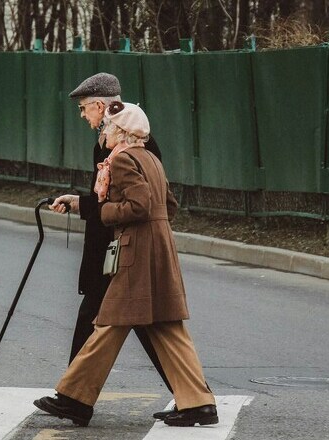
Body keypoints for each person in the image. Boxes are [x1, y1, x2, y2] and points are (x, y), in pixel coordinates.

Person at [35, 102, 218, 427]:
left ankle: (75, 398)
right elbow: (168, 204)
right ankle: (200, 403)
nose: (102, 131)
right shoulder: (149, 159)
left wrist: (106, 215)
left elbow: (139, 204)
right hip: (158, 248)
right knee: (166, 326)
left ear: (120, 131)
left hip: (136, 253)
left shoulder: (121, 159)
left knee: (108, 324)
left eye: (107, 126)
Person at [49, 73, 176, 420]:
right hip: (115, 249)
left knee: (128, 324)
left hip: (122, 251)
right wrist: (79, 202)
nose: (83, 115)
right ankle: (73, 399)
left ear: (101, 106)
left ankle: (74, 399)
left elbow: (137, 203)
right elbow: (104, 198)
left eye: (85, 108)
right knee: (118, 323)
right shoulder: (110, 143)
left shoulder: (128, 147)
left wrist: (86, 205)